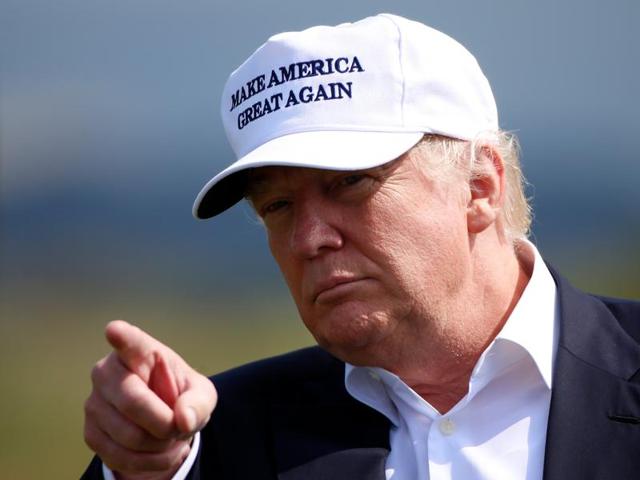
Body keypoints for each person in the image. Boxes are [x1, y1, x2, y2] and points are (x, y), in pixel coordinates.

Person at [81, 13, 640, 480]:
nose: (308, 239)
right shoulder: (211, 444)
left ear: (478, 187)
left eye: (350, 183)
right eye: (277, 206)